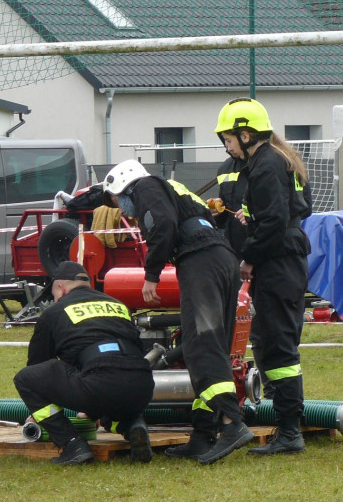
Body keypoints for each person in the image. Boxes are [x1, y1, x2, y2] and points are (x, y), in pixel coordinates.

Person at [103, 158, 252, 464]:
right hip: (221, 258)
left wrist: (152, 274)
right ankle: (202, 435)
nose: (120, 209)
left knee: (201, 346)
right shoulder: (172, 187)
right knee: (213, 346)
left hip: (200, 261)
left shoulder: (145, 187)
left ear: (126, 187)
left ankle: (231, 423)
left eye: (117, 200)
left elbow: (164, 224)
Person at [215, 97, 312, 455]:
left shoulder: (266, 165)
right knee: (273, 343)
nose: (227, 147)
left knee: (276, 347)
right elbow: (295, 210)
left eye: (228, 139)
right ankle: (287, 426)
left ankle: (289, 433)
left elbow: (273, 222)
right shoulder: (278, 160)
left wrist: (249, 259)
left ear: (246, 134)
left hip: (276, 264)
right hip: (285, 262)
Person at [12, 261, 154, 465]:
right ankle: (133, 425)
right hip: (142, 388)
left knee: (25, 378)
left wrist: (39, 414)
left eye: (53, 294)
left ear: (61, 288)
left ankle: (72, 445)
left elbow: (37, 368)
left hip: (99, 385)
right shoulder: (118, 305)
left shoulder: (54, 312)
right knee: (111, 391)